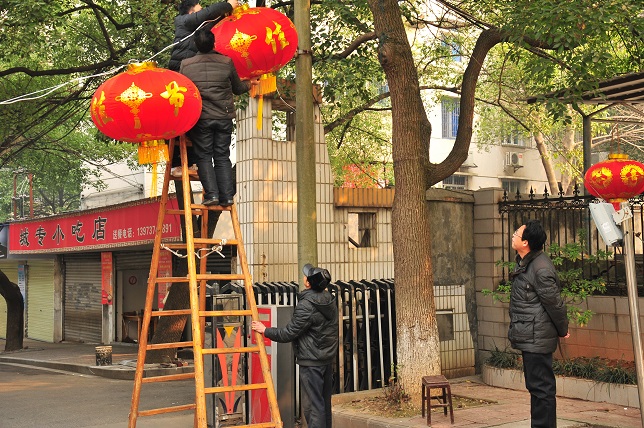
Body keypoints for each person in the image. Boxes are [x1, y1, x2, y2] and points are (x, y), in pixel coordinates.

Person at [251, 264, 338, 428]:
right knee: (323, 403)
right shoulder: (329, 300)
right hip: (325, 359)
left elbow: (289, 332)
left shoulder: (307, 305)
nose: (303, 277)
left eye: (306, 276)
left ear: (308, 283)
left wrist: (265, 330)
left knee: (313, 407)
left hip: (311, 361)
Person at [179, 28, 254, 206]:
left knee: (204, 155)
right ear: (214, 43)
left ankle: (212, 195)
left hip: (202, 118)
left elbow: (184, 93)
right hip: (223, 116)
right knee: (222, 155)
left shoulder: (186, 65)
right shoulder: (226, 62)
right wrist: (250, 83)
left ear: (195, 44)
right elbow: (238, 89)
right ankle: (227, 197)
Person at [508, 219, 569, 428]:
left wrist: (563, 329)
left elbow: (554, 303)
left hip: (537, 336)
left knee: (542, 389)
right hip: (531, 334)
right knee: (537, 388)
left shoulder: (540, 268)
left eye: (516, 234)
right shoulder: (526, 262)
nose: (513, 236)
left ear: (526, 242)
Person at [168, 0, 238, 177]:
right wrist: (228, 4)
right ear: (192, 12)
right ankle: (177, 164)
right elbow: (209, 13)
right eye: (199, 9)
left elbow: (212, 20)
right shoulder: (184, 21)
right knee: (179, 117)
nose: (202, 11)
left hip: (193, 74)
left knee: (195, 118)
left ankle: (191, 162)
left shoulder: (198, 27)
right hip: (181, 74)